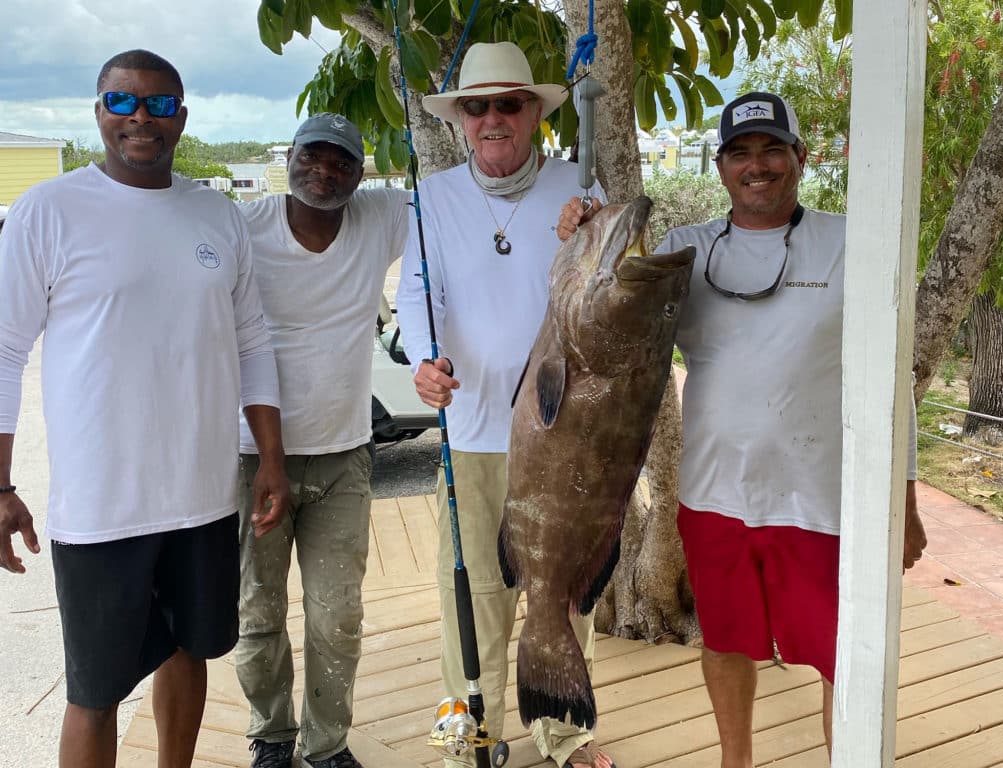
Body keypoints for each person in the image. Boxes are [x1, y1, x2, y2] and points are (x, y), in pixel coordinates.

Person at [563, 90, 928, 767]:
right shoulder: (686, 250)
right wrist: (590, 246)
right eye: (739, 153)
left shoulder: (852, 241)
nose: (755, 165)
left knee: (839, 652)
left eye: (770, 149)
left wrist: (904, 502)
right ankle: (737, 761)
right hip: (715, 496)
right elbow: (613, 330)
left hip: (822, 501)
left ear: (799, 157)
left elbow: (891, 378)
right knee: (727, 641)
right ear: (721, 166)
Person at [0, 50, 290, 768]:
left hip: (201, 498)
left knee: (190, 653)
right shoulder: (49, 210)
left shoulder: (215, 214)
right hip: (101, 508)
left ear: (181, 119)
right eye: (122, 102)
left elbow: (253, 340)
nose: (140, 118)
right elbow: (4, 352)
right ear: (98, 112)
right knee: (93, 691)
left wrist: (271, 458)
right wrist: (1, 485)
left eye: (159, 105)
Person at [395, 41, 614, 768]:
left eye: (509, 103)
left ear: (534, 115)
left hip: (565, 438)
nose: (494, 117)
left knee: (566, 594)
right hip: (474, 431)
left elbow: (607, 292)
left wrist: (580, 240)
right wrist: (428, 361)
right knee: (469, 599)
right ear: (460, 119)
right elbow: (420, 298)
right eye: (478, 106)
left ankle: (567, 733)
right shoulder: (432, 197)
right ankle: (470, 732)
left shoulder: (579, 189)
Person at [234, 113, 410, 768]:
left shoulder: (382, 217)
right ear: (290, 156)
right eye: (313, 155)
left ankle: (327, 743)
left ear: (361, 175)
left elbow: (469, 206)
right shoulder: (242, 227)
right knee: (257, 611)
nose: (325, 170)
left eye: (341, 161)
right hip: (251, 456)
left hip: (343, 455)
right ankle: (271, 736)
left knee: (337, 615)